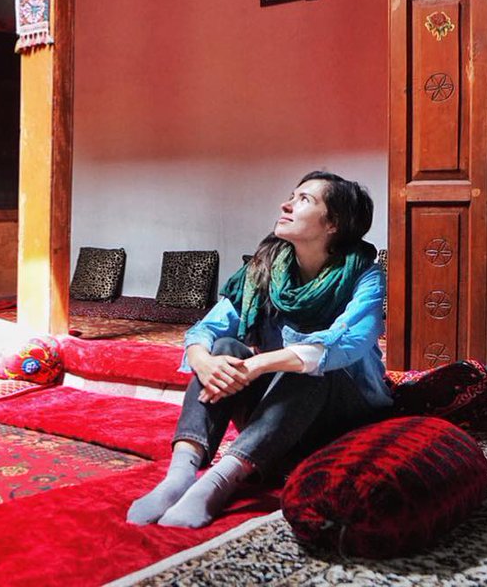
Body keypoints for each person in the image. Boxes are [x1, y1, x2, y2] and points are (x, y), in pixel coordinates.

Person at [127, 170, 391, 529]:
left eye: (304, 200)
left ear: (333, 224)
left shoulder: (364, 275)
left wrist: (261, 364)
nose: (286, 204)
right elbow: (208, 328)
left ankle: (220, 483)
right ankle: (180, 477)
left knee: (309, 363)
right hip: (278, 412)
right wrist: (201, 359)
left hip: (344, 410)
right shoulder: (266, 270)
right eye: (292, 195)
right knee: (223, 347)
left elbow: (347, 343)